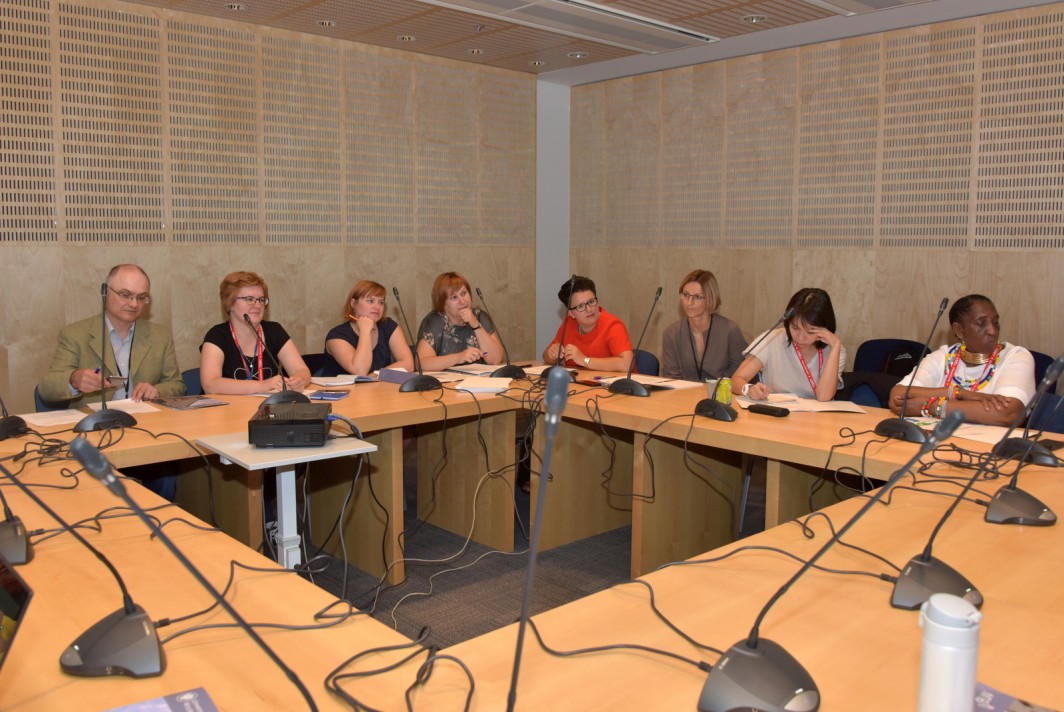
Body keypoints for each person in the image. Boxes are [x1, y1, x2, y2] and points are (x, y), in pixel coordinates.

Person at [39, 263, 185, 499]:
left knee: (165, 477)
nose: (134, 304)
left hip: (145, 434)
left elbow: (177, 385)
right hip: (95, 437)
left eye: (141, 297)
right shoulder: (75, 334)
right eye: (126, 295)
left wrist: (157, 390)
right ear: (105, 292)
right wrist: (73, 380)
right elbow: (46, 389)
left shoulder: (160, 335)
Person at [889, 295, 1035, 426]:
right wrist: (956, 393)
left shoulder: (1016, 356)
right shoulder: (943, 357)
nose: (993, 330)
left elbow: (1008, 414)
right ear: (959, 330)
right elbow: (897, 396)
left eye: (995, 321)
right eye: (981, 323)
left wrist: (932, 406)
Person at [200, 271, 311, 395]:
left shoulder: (274, 331)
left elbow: (302, 370)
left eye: (261, 300)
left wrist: (299, 380)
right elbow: (210, 384)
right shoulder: (216, 336)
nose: (258, 305)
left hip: (267, 406)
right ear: (230, 303)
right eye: (249, 299)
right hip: (229, 407)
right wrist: (263, 385)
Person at [732, 287, 846, 402]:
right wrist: (749, 389)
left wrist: (836, 346)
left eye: (810, 331)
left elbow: (824, 397)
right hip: (778, 411)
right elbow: (736, 380)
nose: (801, 337)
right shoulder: (773, 339)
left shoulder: (835, 349)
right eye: (795, 327)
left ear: (825, 327)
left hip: (818, 413)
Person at [661, 269, 747, 382]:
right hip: (683, 392)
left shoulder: (730, 331)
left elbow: (740, 372)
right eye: (686, 295)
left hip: (721, 391)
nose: (689, 302)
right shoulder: (671, 333)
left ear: (710, 298)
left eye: (698, 297)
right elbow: (672, 379)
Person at [321, 280, 414, 376]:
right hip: (341, 386)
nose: (377, 307)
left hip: (378, 385)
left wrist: (376, 374)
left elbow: (408, 365)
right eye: (370, 301)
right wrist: (365, 330)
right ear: (353, 303)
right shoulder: (337, 336)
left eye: (381, 302)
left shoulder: (388, 326)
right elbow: (360, 371)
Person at [542, 275, 634, 372]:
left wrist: (584, 360)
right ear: (571, 313)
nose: (589, 309)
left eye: (591, 302)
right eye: (581, 306)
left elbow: (627, 365)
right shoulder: (569, 323)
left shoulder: (613, 326)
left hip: (616, 381)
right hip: (580, 380)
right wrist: (552, 354)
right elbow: (545, 356)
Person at [415, 272, 504, 371]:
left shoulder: (479, 316)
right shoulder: (435, 322)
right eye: (454, 297)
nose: (462, 301)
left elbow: (495, 359)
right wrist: (459, 357)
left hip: (480, 379)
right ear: (442, 304)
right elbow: (421, 364)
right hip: (447, 380)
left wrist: (476, 325)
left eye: (463, 293)